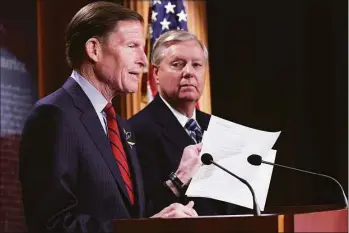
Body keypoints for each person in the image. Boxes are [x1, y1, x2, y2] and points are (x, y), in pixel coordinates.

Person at [18, 2, 199, 233]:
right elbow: (52, 224)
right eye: (132, 46)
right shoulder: (53, 116)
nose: (144, 61)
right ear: (94, 49)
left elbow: (131, 216)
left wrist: (177, 181)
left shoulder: (121, 126)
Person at [129, 30, 250, 216]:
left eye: (197, 65)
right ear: (156, 74)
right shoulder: (136, 131)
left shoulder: (218, 127)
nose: (188, 72)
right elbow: (138, 212)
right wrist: (179, 178)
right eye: (177, 64)